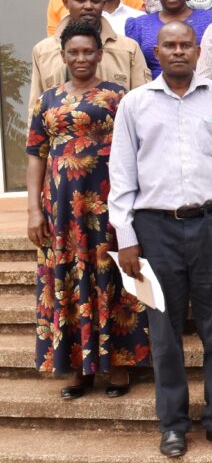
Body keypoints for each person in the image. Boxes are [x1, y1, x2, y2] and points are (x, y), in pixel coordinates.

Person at [108, 21, 212, 458]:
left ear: (196, 51)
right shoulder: (134, 104)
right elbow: (122, 175)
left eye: (184, 45)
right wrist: (127, 236)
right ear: (157, 52)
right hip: (154, 230)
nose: (177, 52)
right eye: (169, 45)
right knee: (164, 333)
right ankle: (172, 425)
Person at [27, 21, 149, 400]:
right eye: (73, 52)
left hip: (106, 201)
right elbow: (35, 156)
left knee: (108, 275)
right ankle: (77, 368)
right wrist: (34, 210)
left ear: (100, 54)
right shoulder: (46, 100)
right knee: (67, 277)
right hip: (60, 207)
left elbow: (136, 152)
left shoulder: (119, 97)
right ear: (62, 55)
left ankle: (117, 367)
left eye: (88, 51)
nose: (81, 58)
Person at [29, 0, 149, 108]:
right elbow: (35, 107)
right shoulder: (43, 51)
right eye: (81, 0)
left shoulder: (128, 48)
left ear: (103, 4)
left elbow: (142, 103)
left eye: (95, 1)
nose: (88, 6)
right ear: (66, 3)